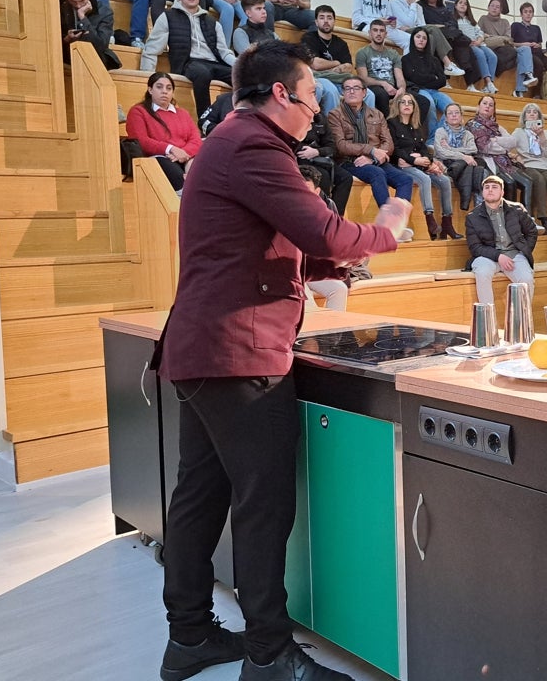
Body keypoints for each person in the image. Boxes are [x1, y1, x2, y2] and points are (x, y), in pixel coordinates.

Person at [156, 39, 407, 681]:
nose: (313, 115)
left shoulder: (228, 140)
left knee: (201, 493)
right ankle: (269, 654)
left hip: (200, 348)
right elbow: (319, 228)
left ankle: (188, 636)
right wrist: (387, 231)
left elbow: (270, 237)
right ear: (280, 96)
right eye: (310, 101)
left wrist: (334, 262)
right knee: (262, 504)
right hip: (239, 351)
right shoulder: (256, 146)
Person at [140, 0, 236, 116]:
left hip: (214, 63)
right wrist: (147, 74)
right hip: (188, 62)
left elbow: (223, 51)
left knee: (242, 76)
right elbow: (152, 48)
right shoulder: (168, 16)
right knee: (202, 73)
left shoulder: (212, 21)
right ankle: (205, 119)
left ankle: (240, 117)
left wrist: (240, 65)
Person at [328, 75, 413, 210]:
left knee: (405, 179)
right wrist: (371, 150)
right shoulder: (335, 115)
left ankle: (397, 220)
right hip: (349, 161)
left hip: (375, 160)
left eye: (356, 88)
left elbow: (388, 144)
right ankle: (388, 221)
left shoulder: (377, 114)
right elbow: (340, 145)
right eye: (347, 88)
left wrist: (372, 157)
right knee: (376, 173)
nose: (351, 91)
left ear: (364, 92)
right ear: (342, 92)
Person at [388, 93, 456, 240]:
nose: (407, 105)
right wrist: (413, 161)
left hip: (419, 164)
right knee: (425, 180)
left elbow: (423, 148)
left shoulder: (416, 125)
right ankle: (430, 219)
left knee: (444, 180)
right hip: (402, 165)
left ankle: (447, 223)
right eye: (403, 102)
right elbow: (394, 150)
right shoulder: (392, 123)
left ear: (414, 107)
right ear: (397, 106)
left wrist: (429, 162)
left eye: (410, 103)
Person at [467, 174, 538, 305]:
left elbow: (532, 232)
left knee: (526, 279)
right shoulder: (473, 216)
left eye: (494, 187)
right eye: (486, 187)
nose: (490, 190)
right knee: (482, 272)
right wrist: (498, 256)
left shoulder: (517, 209)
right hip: (488, 256)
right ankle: (488, 318)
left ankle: (521, 321)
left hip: (514, 254)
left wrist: (524, 250)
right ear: (482, 192)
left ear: (502, 192)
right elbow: (475, 247)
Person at [125, 72, 201, 192]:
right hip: (157, 157)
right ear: (150, 90)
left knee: (205, 174)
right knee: (179, 181)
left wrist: (184, 153)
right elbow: (140, 140)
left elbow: (196, 140)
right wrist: (171, 149)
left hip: (184, 157)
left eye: (169, 88)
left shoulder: (183, 114)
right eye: (159, 87)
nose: (164, 91)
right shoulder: (138, 111)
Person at [300, 4, 379, 120]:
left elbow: (348, 67)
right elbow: (315, 64)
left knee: (369, 95)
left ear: (334, 21)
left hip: (340, 80)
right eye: (322, 18)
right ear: (316, 22)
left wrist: (330, 66)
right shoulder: (308, 38)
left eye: (329, 18)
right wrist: (336, 63)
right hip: (319, 78)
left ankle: (364, 131)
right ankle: (333, 131)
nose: (326, 21)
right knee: (331, 91)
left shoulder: (341, 43)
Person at [296, 164, 351, 310]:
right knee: (309, 305)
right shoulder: (282, 209)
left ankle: (335, 333)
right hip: (289, 271)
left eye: (307, 191)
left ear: (317, 191)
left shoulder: (328, 206)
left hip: (312, 268)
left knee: (339, 289)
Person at [512, 103, 547, 233]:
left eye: (535, 112)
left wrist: (541, 136)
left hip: (545, 165)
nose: (531, 114)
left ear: (539, 116)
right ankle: (544, 220)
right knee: (539, 180)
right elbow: (507, 146)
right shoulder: (518, 132)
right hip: (528, 165)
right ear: (524, 117)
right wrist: (515, 156)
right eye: (528, 112)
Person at [468, 95, 530, 204]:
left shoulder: (496, 127)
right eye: (485, 103)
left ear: (493, 110)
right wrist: (504, 149)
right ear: (478, 107)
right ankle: (510, 218)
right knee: (510, 183)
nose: (487, 106)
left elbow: (513, 142)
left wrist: (495, 139)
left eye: (491, 105)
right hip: (488, 161)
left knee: (528, 182)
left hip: (504, 161)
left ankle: (526, 218)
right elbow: (486, 148)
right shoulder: (473, 125)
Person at [60, 0, 121, 70]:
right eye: (73, 1)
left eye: (82, 1)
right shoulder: (60, 6)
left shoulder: (104, 12)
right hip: (65, 53)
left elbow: (101, 46)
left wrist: (83, 19)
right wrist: (67, 39)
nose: (78, 5)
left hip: (94, 56)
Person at [480, 0, 537, 98]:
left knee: (525, 49)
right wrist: (501, 39)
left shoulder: (505, 22)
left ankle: (526, 78)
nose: (494, 8)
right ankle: (520, 88)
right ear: (488, 7)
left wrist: (491, 37)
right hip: (492, 49)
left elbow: (509, 39)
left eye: (497, 7)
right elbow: (481, 38)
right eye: (492, 6)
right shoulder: (483, 19)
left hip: (507, 49)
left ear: (501, 10)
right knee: (517, 54)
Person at [433, 103, 486, 209]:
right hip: (445, 164)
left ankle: (471, 203)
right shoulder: (440, 132)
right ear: (446, 117)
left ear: (461, 116)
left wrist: (451, 149)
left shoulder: (468, 134)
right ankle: (473, 206)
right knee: (472, 165)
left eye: (456, 113)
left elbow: (473, 149)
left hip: (461, 166)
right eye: (450, 113)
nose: (453, 115)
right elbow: (441, 153)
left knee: (477, 169)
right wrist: (463, 156)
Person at [402, 26, 453, 133]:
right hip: (418, 90)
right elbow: (414, 78)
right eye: (418, 37)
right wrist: (432, 77)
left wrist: (423, 77)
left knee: (451, 107)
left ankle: (438, 134)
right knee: (430, 104)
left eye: (424, 38)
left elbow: (442, 81)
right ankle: (431, 139)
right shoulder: (406, 59)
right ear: (413, 39)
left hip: (434, 91)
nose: (421, 40)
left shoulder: (434, 60)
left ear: (427, 41)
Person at [356, 19, 407, 117]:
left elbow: (400, 77)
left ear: (386, 34)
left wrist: (402, 88)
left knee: (422, 101)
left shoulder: (393, 53)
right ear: (370, 33)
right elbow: (363, 79)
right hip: (373, 87)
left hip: (392, 88)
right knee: (382, 95)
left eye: (381, 31)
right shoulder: (362, 53)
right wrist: (383, 83)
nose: (378, 34)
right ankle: (386, 128)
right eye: (375, 30)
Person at [419, 0, 471, 78]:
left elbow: (453, 22)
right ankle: (445, 77)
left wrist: (444, 25)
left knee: (463, 42)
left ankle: (470, 79)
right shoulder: (420, 6)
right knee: (444, 39)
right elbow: (422, 23)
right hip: (433, 32)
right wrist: (438, 26)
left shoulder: (444, 8)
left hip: (448, 32)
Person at [455, 0, 498, 93]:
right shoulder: (454, 20)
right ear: (456, 5)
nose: (463, 5)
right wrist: (469, 42)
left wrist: (479, 40)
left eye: (465, 4)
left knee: (493, 56)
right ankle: (488, 82)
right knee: (480, 55)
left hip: (478, 43)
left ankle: (489, 84)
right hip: (468, 44)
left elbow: (480, 32)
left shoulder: (471, 20)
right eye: (460, 3)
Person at [511, 1, 547, 92]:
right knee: (539, 65)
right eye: (525, 12)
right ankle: (536, 93)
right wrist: (524, 44)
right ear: (521, 14)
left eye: (530, 12)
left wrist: (537, 45)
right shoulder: (516, 26)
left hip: (537, 52)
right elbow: (511, 43)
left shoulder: (536, 28)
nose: (528, 14)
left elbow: (540, 44)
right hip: (524, 52)